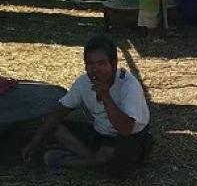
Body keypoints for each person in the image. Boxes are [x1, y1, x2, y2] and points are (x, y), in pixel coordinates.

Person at [22, 35, 151, 177]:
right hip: (100, 134)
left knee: (115, 163)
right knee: (57, 129)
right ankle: (92, 160)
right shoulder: (84, 82)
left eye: (101, 63)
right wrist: (34, 142)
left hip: (129, 137)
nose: (95, 69)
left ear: (113, 64)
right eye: (90, 64)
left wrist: (106, 96)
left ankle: (70, 161)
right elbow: (58, 113)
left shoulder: (128, 85)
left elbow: (126, 129)